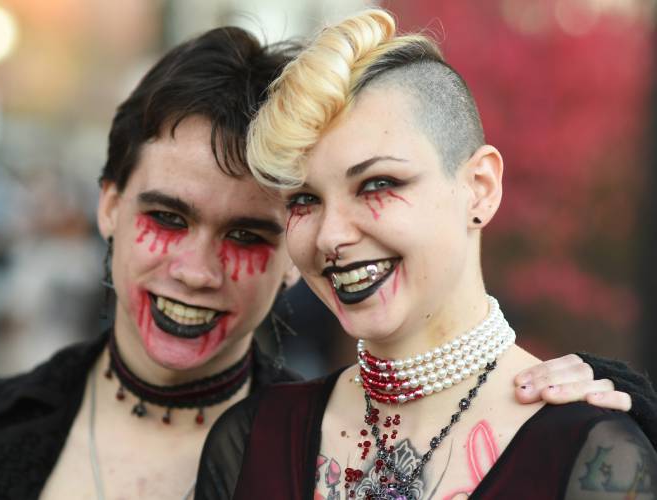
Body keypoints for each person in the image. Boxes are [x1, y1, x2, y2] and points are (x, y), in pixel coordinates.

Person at [0, 21, 649, 500]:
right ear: (108, 206)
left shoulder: (589, 437)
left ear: (479, 186)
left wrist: (617, 400)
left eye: (247, 234)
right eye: (167, 217)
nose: (197, 269)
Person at [195, 10, 657, 500]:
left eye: (377, 184)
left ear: (480, 188)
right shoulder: (250, 440)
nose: (330, 236)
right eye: (304, 200)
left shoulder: (594, 455)